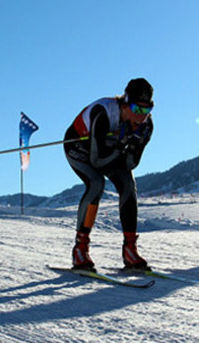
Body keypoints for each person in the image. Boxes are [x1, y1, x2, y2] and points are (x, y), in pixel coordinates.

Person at [63, 78, 154, 272]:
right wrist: (121, 144)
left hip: (109, 151)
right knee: (96, 184)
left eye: (147, 111)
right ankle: (80, 249)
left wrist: (134, 144)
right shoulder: (104, 113)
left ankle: (130, 249)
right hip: (79, 146)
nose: (141, 117)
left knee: (128, 185)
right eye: (137, 109)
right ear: (125, 103)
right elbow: (97, 161)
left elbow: (131, 164)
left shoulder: (146, 126)